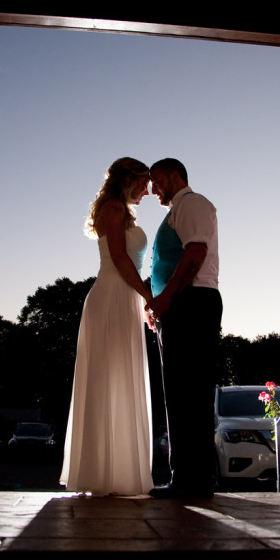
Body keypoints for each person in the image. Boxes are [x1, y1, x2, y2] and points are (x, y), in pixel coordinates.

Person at [60, 157, 155, 496]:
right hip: (112, 297)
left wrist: (142, 302)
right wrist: (148, 296)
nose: (147, 191)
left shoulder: (123, 211)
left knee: (120, 377)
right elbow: (119, 259)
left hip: (125, 298)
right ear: (130, 180)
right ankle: (101, 473)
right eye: (144, 184)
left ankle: (119, 473)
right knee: (106, 378)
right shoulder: (113, 209)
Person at [146, 158, 222, 498]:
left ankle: (194, 480)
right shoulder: (176, 210)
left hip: (192, 303)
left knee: (191, 393)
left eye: (157, 180)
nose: (152, 189)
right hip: (178, 305)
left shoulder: (192, 203)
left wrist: (167, 299)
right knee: (179, 394)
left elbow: (195, 254)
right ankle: (188, 478)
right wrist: (157, 304)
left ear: (175, 175)